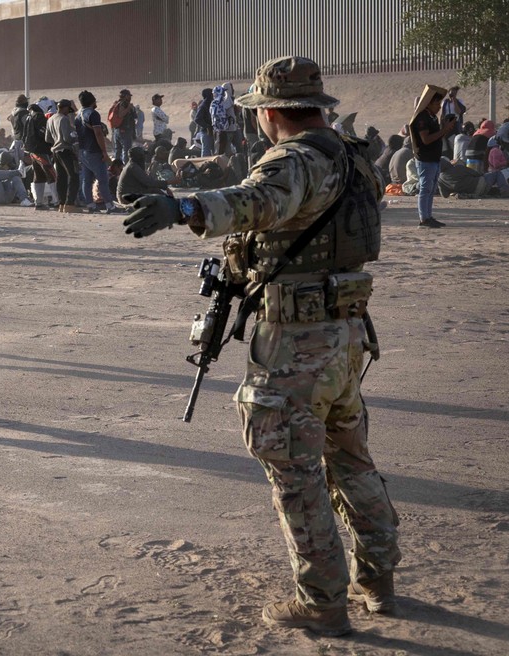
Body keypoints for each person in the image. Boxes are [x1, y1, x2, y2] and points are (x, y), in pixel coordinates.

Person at [124, 55, 399, 637]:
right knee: (350, 459)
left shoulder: (296, 158)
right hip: (346, 332)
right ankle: (377, 577)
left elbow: (257, 202)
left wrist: (186, 207)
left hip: (297, 346)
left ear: (270, 112)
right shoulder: (350, 156)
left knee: (295, 472)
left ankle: (323, 599)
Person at [410, 84, 457, 228]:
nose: (439, 107)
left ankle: (428, 216)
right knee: (426, 189)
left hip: (434, 159)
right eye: (437, 104)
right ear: (428, 103)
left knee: (431, 189)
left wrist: (444, 127)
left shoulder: (431, 117)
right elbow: (426, 139)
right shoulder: (422, 118)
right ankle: (424, 218)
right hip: (425, 159)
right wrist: (445, 129)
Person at [75, 90, 118, 214]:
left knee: (86, 180)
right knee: (103, 179)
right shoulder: (93, 114)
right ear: (92, 101)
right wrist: (104, 151)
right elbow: (98, 133)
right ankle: (110, 206)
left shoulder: (78, 115)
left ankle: (90, 205)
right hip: (94, 151)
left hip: (83, 151)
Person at [45, 99, 80, 213]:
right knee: (74, 176)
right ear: (65, 108)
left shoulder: (50, 119)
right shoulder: (63, 119)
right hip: (65, 150)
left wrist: (56, 141)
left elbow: (47, 139)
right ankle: (70, 204)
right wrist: (75, 136)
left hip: (55, 151)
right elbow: (67, 138)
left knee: (61, 178)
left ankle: (61, 203)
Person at [109, 89, 138, 161]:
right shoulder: (123, 104)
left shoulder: (117, 103)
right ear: (125, 96)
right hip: (124, 130)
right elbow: (120, 114)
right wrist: (129, 108)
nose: (130, 97)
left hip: (117, 130)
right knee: (126, 151)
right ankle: (125, 168)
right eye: (129, 96)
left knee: (118, 151)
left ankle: (116, 168)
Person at [440, 86, 466, 157]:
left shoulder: (459, 101)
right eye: (451, 93)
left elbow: (459, 111)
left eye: (454, 93)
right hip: (447, 122)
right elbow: (442, 114)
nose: (452, 95)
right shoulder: (445, 102)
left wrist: (454, 101)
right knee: (446, 139)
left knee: (455, 139)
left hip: (456, 123)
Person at [194, 88, 215, 156]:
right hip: (206, 132)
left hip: (213, 131)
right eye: (211, 94)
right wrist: (207, 126)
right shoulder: (203, 105)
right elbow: (197, 119)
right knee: (206, 152)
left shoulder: (211, 104)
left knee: (214, 151)